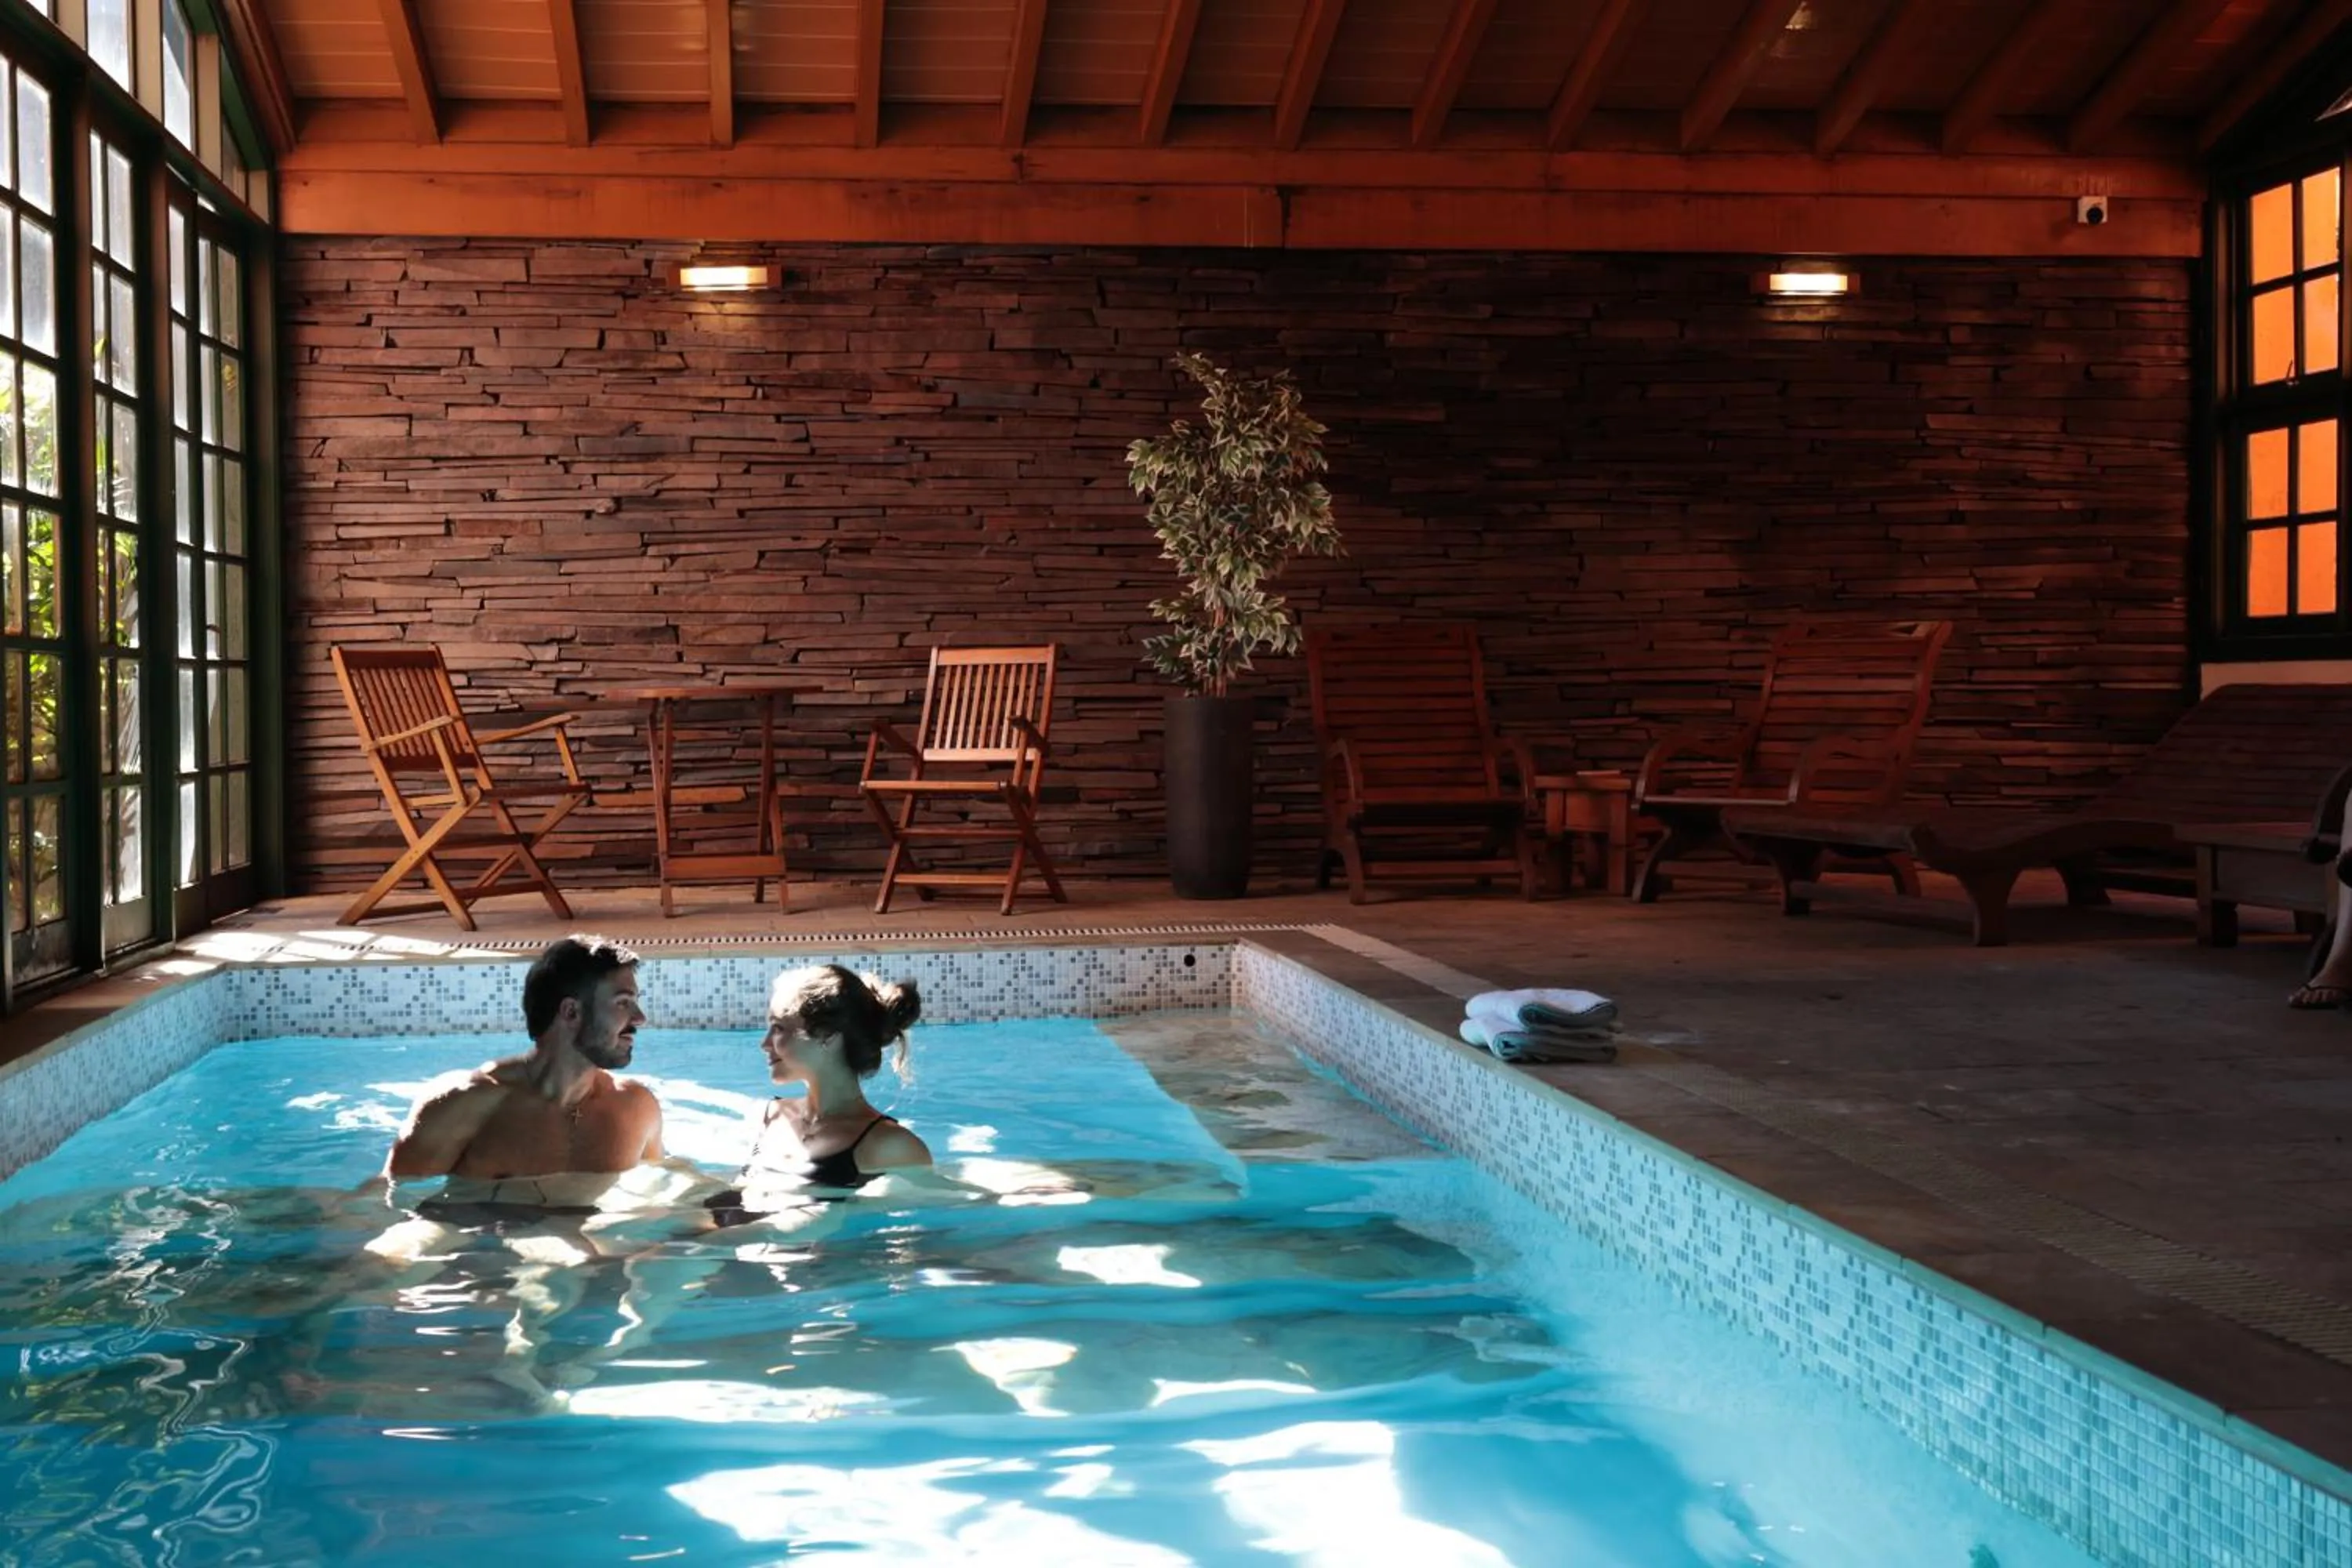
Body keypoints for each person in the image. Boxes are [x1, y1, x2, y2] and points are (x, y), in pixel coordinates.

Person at [385, 935, 663, 1203]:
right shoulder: (464, 1104)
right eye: (623, 1003)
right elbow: (390, 1200)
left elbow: (665, 1187)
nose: (640, 1018)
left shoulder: (636, 1108)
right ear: (571, 1012)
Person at [708, 965, 928, 1219]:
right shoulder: (768, 1117)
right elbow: (737, 1202)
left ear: (827, 1036)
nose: (765, 1044)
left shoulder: (890, 1146)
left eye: (778, 1028)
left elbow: (930, 1224)